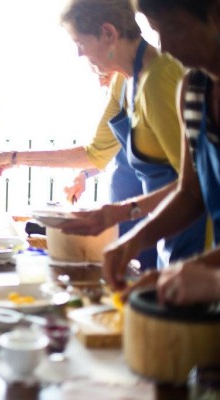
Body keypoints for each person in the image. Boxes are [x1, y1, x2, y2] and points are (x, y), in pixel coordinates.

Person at [0, 0, 207, 269]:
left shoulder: (160, 79)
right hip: (166, 231)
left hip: (195, 234)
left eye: (80, 43)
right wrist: (14, 157)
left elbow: (194, 186)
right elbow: (94, 154)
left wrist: (117, 213)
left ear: (108, 33)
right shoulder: (123, 81)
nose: (78, 53)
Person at [103, 0, 220, 305]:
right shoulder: (193, 89)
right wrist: (134, 241)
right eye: (157, 31)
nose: (166, 46)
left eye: (175, 28)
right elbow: (191, 192)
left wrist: (210, 279)